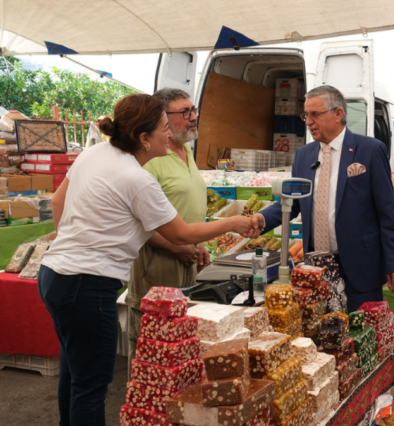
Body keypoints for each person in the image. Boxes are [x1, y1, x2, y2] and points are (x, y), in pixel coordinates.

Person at [37, 94, 255, 426]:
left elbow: (57, 202)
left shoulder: (95, 153)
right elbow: (181, 233)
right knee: (92, 386)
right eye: (165, 128)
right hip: (87, 286)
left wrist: (74, 242)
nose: (170, 134)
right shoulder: (137, 179)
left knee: (75, 373)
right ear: (144, 138)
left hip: (54, 273)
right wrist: (233, 223)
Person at [251, 85, 394, 312]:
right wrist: (261, 219)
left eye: (315, 114)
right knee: (322, 336)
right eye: (306, 115)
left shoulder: (370, 150)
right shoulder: (304, 155)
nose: (308, 121)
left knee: (360, 335)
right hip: (315, 268)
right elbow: (292, 202)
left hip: (359, 266)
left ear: (338, 114)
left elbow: (387, 211)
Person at [125, 88, 208, 378]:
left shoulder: (185, 149)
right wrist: (176, 247)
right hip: (156, 260)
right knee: (152, 341)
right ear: (162, 118)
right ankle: (143, 411)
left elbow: (186, 204)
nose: (193, 117)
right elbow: (136, 218)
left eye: (193, 110)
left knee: (178, 339)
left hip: (187, 256)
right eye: (184, 112)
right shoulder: (150, 156)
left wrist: (198, 244)